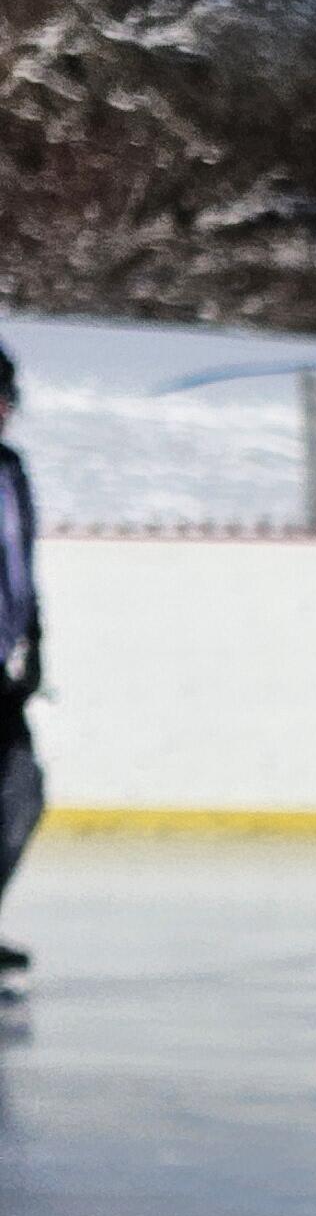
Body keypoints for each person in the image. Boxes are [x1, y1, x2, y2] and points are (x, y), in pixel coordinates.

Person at [0, 338, 41, 988]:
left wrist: (36, 642)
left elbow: (18, 569)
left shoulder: (11, 469)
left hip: (3, 668)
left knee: (22, 793)